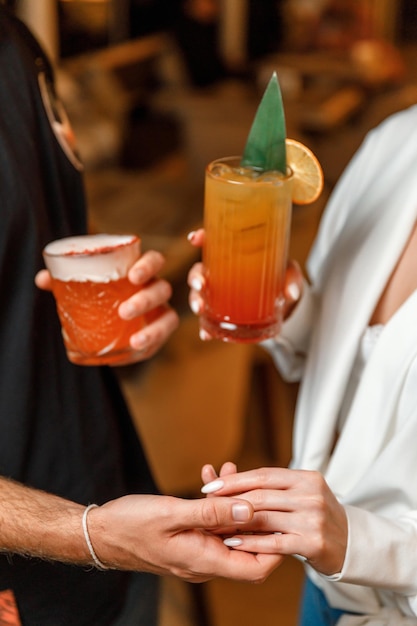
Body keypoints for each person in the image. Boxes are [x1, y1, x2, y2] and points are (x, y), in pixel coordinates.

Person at [0, 6, 282, 625]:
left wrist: (121, 315)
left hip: (100, 496)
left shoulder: (15, 41)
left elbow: (33, 255)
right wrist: (87, 534)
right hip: (32, 565)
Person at [188, 103, 417, 624]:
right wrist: (282, 307)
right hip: (323, 587)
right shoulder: (397, 141)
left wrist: (357, 541)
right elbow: (324, 344)